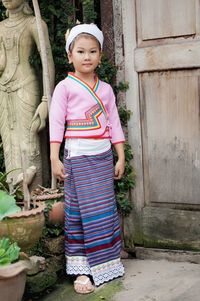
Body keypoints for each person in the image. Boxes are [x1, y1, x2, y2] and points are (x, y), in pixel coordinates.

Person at [49, 23, 125, 294]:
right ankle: (82, 270)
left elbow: (113, 123)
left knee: (103, 212)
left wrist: (120, 156)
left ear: (100, 56)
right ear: (70, 55)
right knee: (81, 213)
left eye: (93, 51)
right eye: (80, 51)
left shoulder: (105, 90)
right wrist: (54, 158)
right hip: (77, 156)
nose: (87, 56)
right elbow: (56, 123)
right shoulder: (64, 87)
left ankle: (106, 262)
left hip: (103, 156)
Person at [0, 0, 54, 187]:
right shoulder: (0, 27)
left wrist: (47, 100)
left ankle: (36, 197)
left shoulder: (35, 23)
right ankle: (15, 197)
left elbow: (47, 60)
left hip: (26, 86)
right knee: (9, 145)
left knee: (29, 141)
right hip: (3, 89)